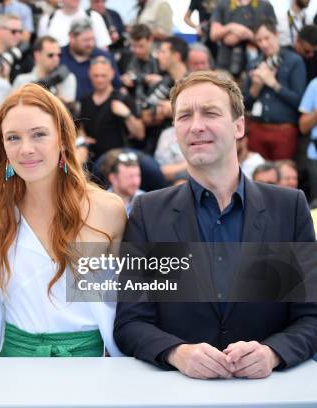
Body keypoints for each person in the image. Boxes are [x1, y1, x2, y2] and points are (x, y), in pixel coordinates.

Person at [114, 71, 317, 379]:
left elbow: (311, 317)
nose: (196, 126)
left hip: (268, 395)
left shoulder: (289, 208)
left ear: (239, 126)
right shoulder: (147, 212)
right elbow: (131, 322)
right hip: (177, 395)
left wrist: (273, 353)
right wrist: (176, 353)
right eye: (184, 116)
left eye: (210, 112)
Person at [0, 83, 127, 357]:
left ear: (62, 139)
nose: (25, 149)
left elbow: (131, 301)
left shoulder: (108, 210)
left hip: (90, 370)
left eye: (39, 134)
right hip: (13, 368)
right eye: (12, 138)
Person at [244, 20, 306, 161]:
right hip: (257, 128)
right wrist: (255, 87)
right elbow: (244, 104)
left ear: (277, 35)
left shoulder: (294, 61)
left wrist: (273, 84)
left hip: (284, 130)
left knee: (282, 178)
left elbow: (300, 102)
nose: (264, 44)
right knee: (256, 177)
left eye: (267, 38)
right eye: (259, 40)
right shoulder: (254, 64)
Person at [12, 36, 76, 103]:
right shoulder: (22, 81)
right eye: (50, 55)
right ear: (37, 55)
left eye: (59, 55)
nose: (56, 59)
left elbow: (66, 110)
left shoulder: (68, 79)